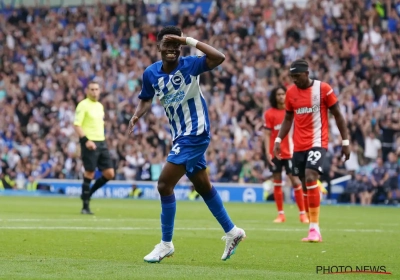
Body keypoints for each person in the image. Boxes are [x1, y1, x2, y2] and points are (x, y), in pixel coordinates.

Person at [128, 26, 246, 263]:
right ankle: (233, 232)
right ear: (159, 47)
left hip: (195, 133)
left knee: (163, 185)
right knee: (203, 187)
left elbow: (219, 57)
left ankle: (165, 244)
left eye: (176, 46)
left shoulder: (190, 65)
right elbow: (145, 99)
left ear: (180, 47)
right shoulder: (151, 73)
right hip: (180, 135)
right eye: (167, 46)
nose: (172, 50)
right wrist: (137, 115)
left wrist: (188, 39)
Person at [273, 59, 350, 242]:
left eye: (297, 76)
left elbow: (338, 115)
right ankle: (311, 226)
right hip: (298, 145)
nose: (294, 80)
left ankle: (315, 229)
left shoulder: (323, 89)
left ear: (307, 74)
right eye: (292, 77)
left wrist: (345, 141)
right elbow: (288, 119)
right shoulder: (291, 93)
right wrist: (278, 139)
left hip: (318, 141)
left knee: (310, 176)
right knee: (304, 184)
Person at [264, 87, 308, 223]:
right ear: (274, 97)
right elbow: (266, 134)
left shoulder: (291, 112)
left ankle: (302, 214)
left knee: (295, 181)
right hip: (275, 153)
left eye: (283, 94)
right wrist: (267, 152)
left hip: (290, 152)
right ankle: (281, 215)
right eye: (278, 94)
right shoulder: (269, 114)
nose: (281, 96)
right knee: (277, 182)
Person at [74, 82, 115, 215]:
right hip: (89, 142)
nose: (94, 92)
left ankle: (88, 193)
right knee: (90, 173)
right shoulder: (83, 105)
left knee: (109, 173)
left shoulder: (100, 106)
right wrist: (86, 140)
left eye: (97, 89)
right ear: (87, 91)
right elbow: (77, 125)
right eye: (92, 89)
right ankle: (85, 207)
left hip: (101, 142)